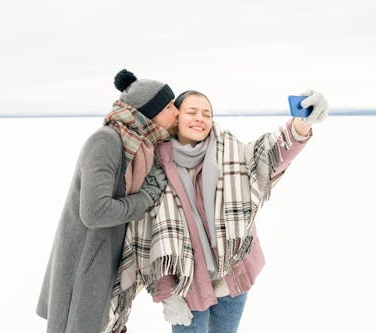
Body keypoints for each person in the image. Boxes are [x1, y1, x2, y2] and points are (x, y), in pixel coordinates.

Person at [107, 89, 328, 333]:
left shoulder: (230, 153)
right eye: (192, 112)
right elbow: (151, 236)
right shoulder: (155, 167)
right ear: (177, 117)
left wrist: (300, 125)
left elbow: (269, 153)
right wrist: (169, 295)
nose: (200, 118)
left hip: (233, 277)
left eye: (207, 113)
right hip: (186, 286)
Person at [35, 69, 180, 333]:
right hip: (85, 264)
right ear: (149, 111)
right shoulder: (106, 141)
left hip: (109, 261)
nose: (177, 112)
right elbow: (94, 211)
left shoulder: (144, 146)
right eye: (170, 106)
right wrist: (145, 198)